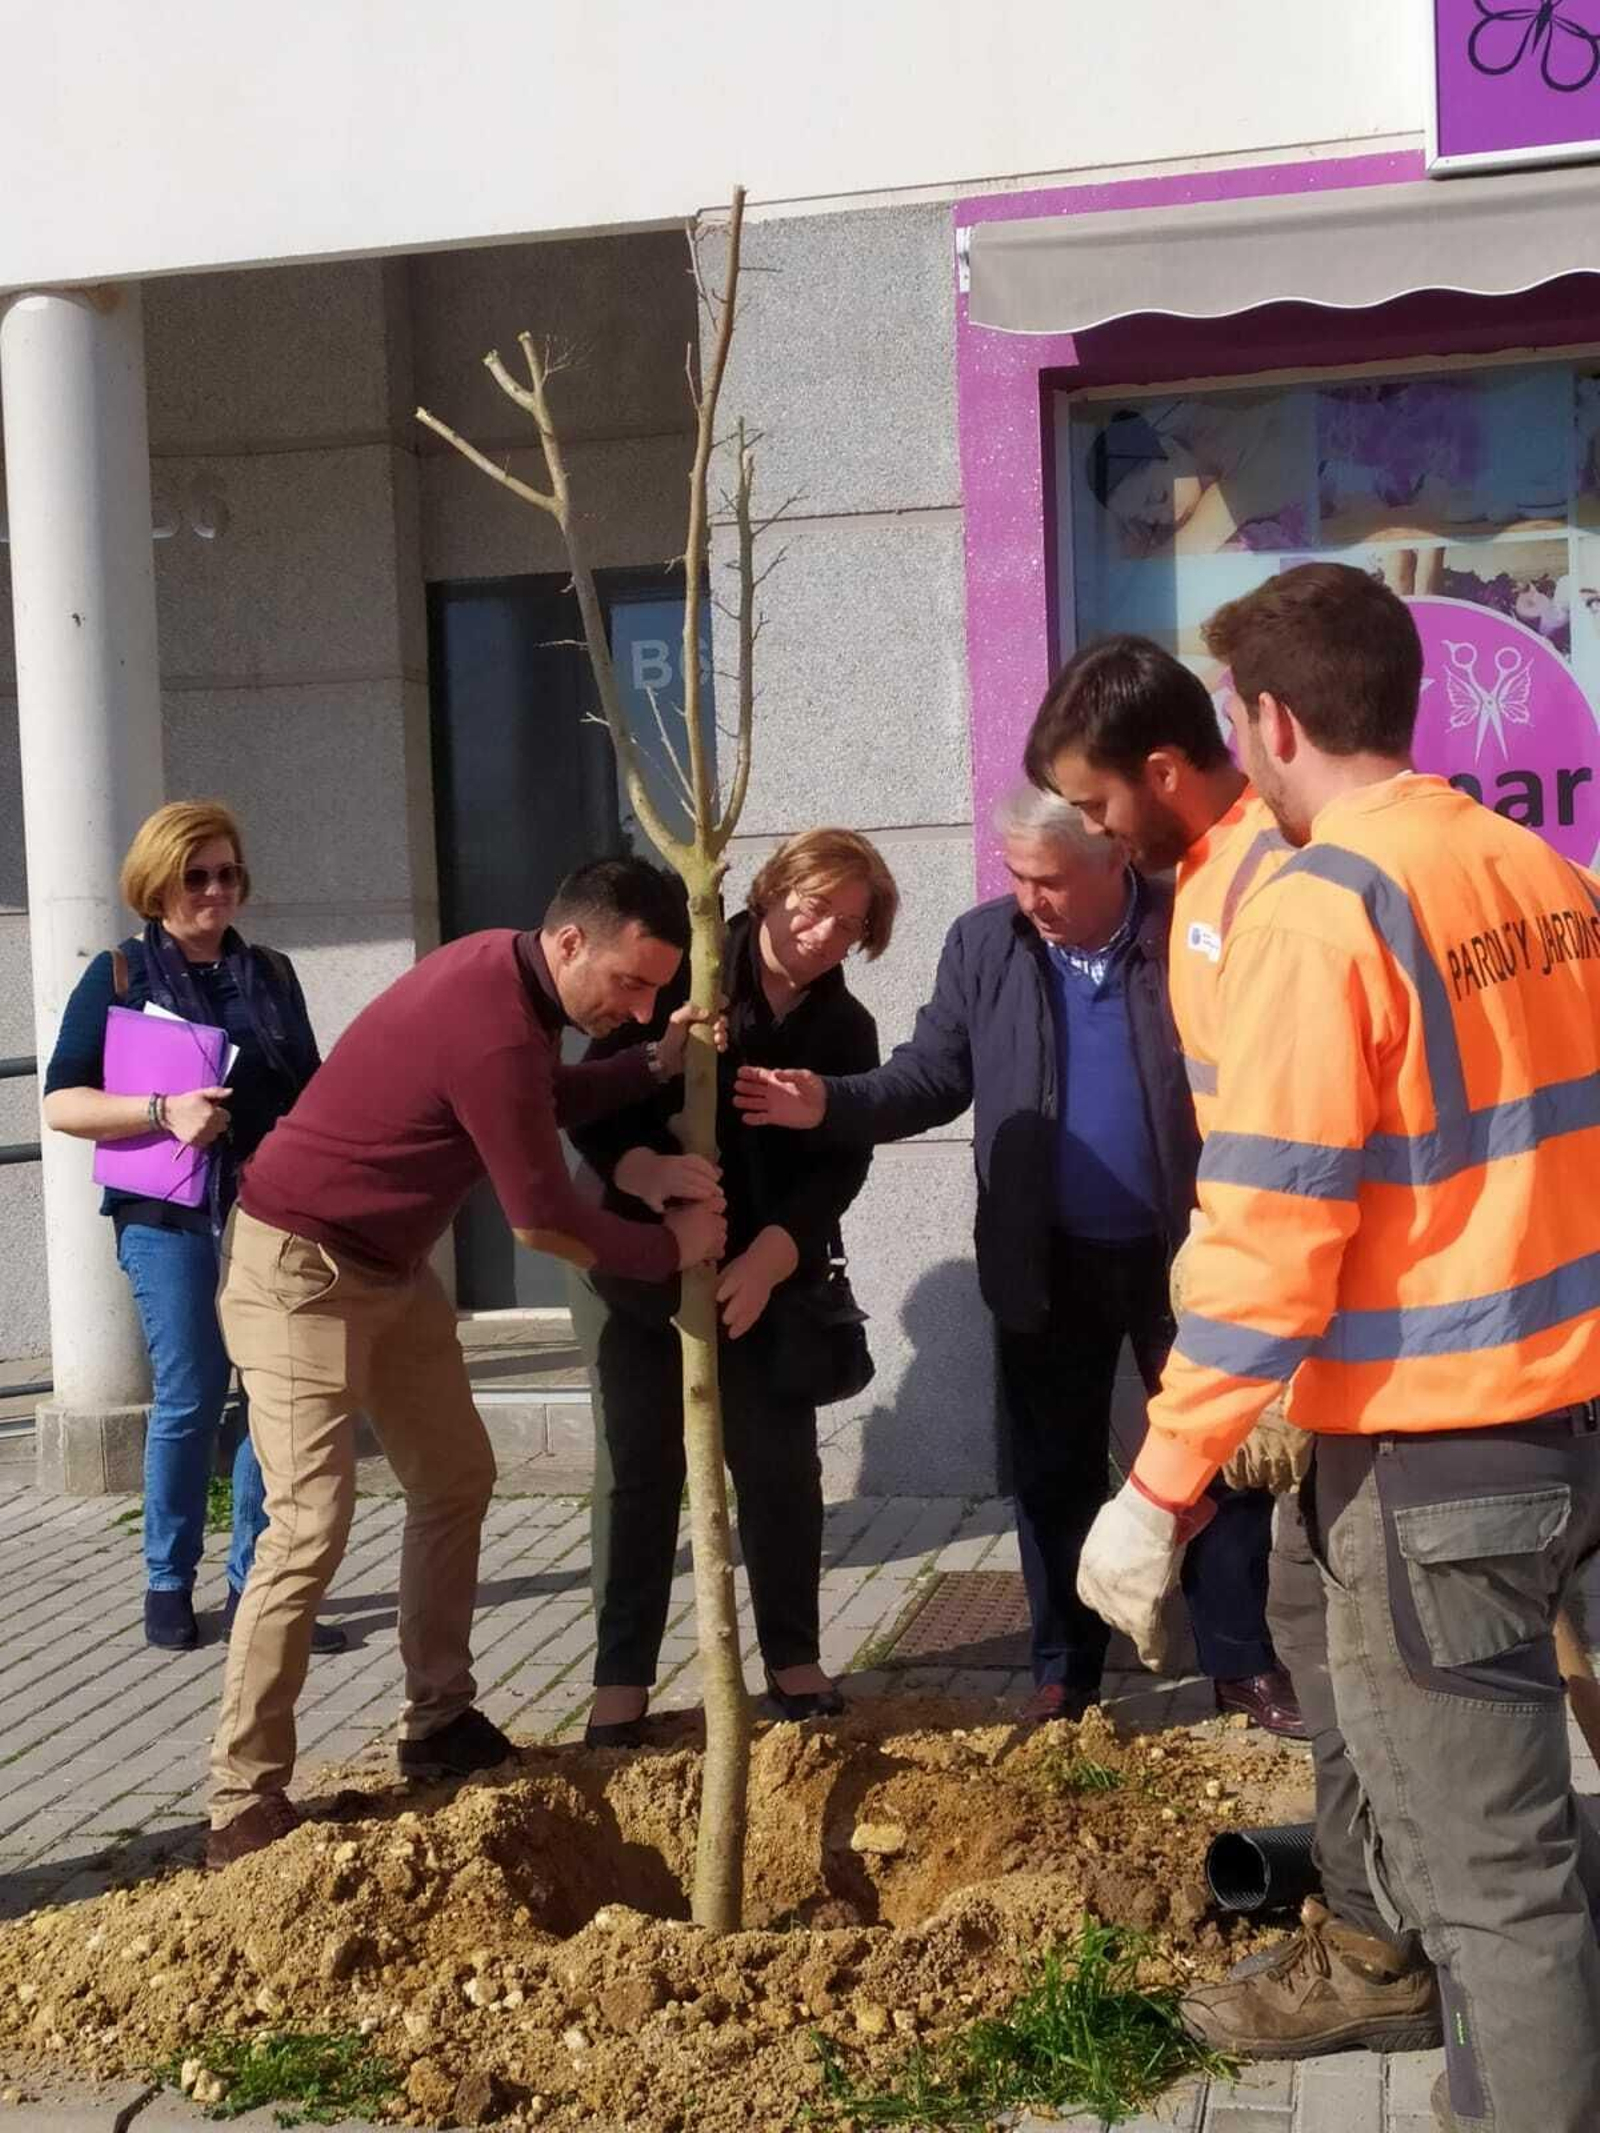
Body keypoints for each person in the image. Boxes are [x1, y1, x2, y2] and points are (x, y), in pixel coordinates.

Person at [1074, 563, 1600, 2133]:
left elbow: (1267, 1233)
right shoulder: (1541, 873)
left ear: (1273, 720)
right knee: (1532, 1862)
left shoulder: (1326, 909)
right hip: (1571, 1421)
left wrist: (1158, 1490)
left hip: (1437, 1463)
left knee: (1497, 1885)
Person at [1031, 635, 1441, 2058]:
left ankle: (1401, 1946)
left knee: (1362, 1652)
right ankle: (1394, 1922)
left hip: (1371, 1354)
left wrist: (1216, 1409)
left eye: (1092, 805)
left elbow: (1305, 1164)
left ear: (1161, 769)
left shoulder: (1279, 879)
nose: (1085, 832)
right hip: (1325, 1343)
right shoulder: (1200, 885)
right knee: (1326, 1639)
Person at [735, 790, 1298, 1734]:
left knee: (1218, 1460)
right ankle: (1064, 1672)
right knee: (1053, 1471)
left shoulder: (1185, 925)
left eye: (1049, 879)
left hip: (1190, 1251)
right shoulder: (984, 943)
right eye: (1017, 875)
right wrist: (825, 1102)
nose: (1027, 895)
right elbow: (930, 1077)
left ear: (1114, 859)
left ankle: (1240, 1663)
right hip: (1045, 1257)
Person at [205, 858, 726, 1867]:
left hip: (388, 1269)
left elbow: (540, 1095)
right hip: (296, 1270)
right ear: (570, 940)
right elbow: (540, 1220)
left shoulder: (512, 983)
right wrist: (672, 1250)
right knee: (308, 1527)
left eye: (657, 989)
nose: (639, 1003)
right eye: (629, 982)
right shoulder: (490, 1017)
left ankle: (437, 1723)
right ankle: (240, 1796)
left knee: (455, 1477)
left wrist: (651, 1065)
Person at [569, 828, 897, 1746]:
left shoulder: (845, 1029)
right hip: (637, 1266)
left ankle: (793, 1659)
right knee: (640, 1473)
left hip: (761, 1286)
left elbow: (840, 1166)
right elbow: (590, 1094)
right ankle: (621, 1680)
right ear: (775, 886)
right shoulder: (683, 977)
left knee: (779, 1472)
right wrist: (642, 1168)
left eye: (850, 920)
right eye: (813, 903)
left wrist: (772, 1257)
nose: (825, 930)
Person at [42, 800, 344, 1658]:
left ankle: (257, 1579)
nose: (216, 890)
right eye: (197, 875)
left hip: (268, 1209)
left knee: (269, 1395)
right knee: (191, 1392)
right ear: (157, 883)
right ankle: (168, 1578)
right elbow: (63, 1099)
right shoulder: (119, 976)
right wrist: (159, 1109)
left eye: (229, 874)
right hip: (166, 1212)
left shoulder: (273, 975)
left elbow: (311, 1089)